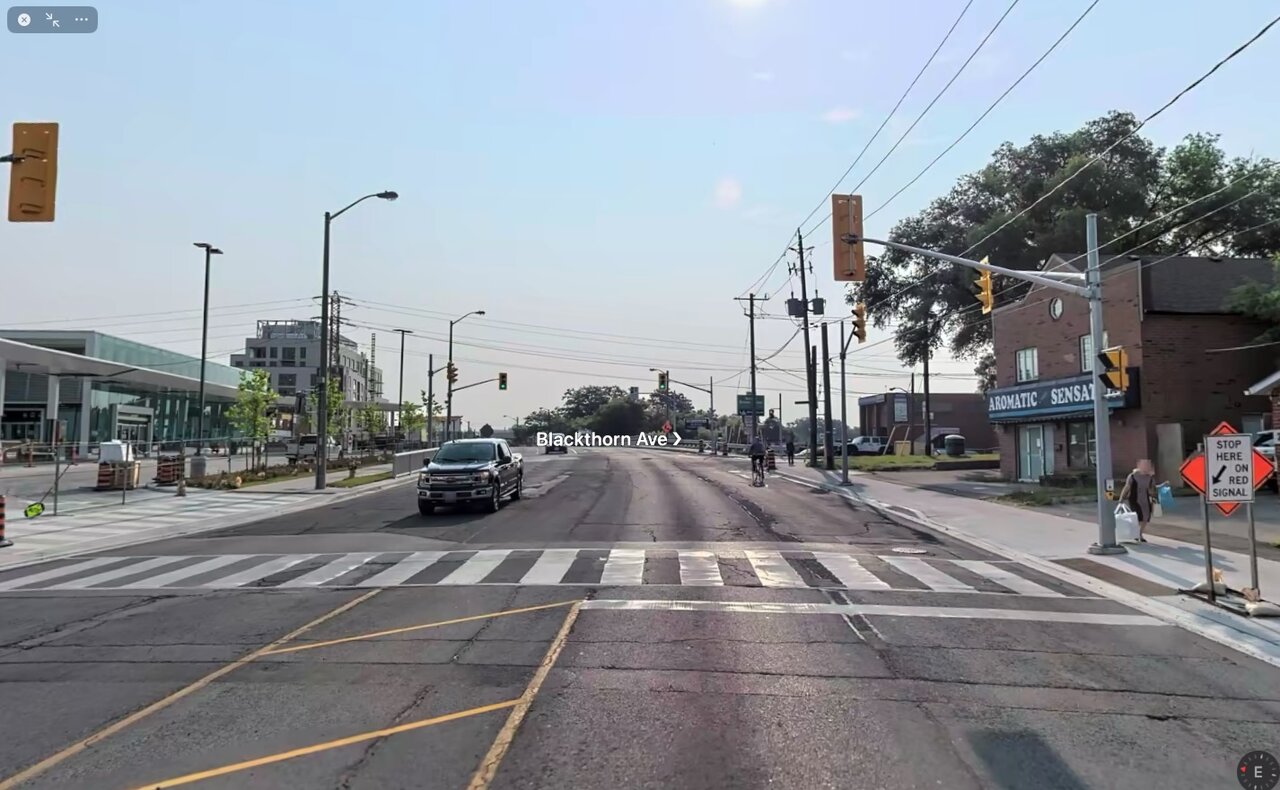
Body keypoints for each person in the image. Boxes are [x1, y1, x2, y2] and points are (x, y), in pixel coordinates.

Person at [1118, 458, 1157, 542]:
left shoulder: (1150, 478)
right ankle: (1136, 533)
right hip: (1134, 499)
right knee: (1136, 517)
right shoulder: (1132, 476)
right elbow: (1127, 487)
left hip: (1145, 500)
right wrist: (1121, 498)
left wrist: (1155, 495)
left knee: (1145, 517)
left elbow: (1151, 490)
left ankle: (1139, 534)